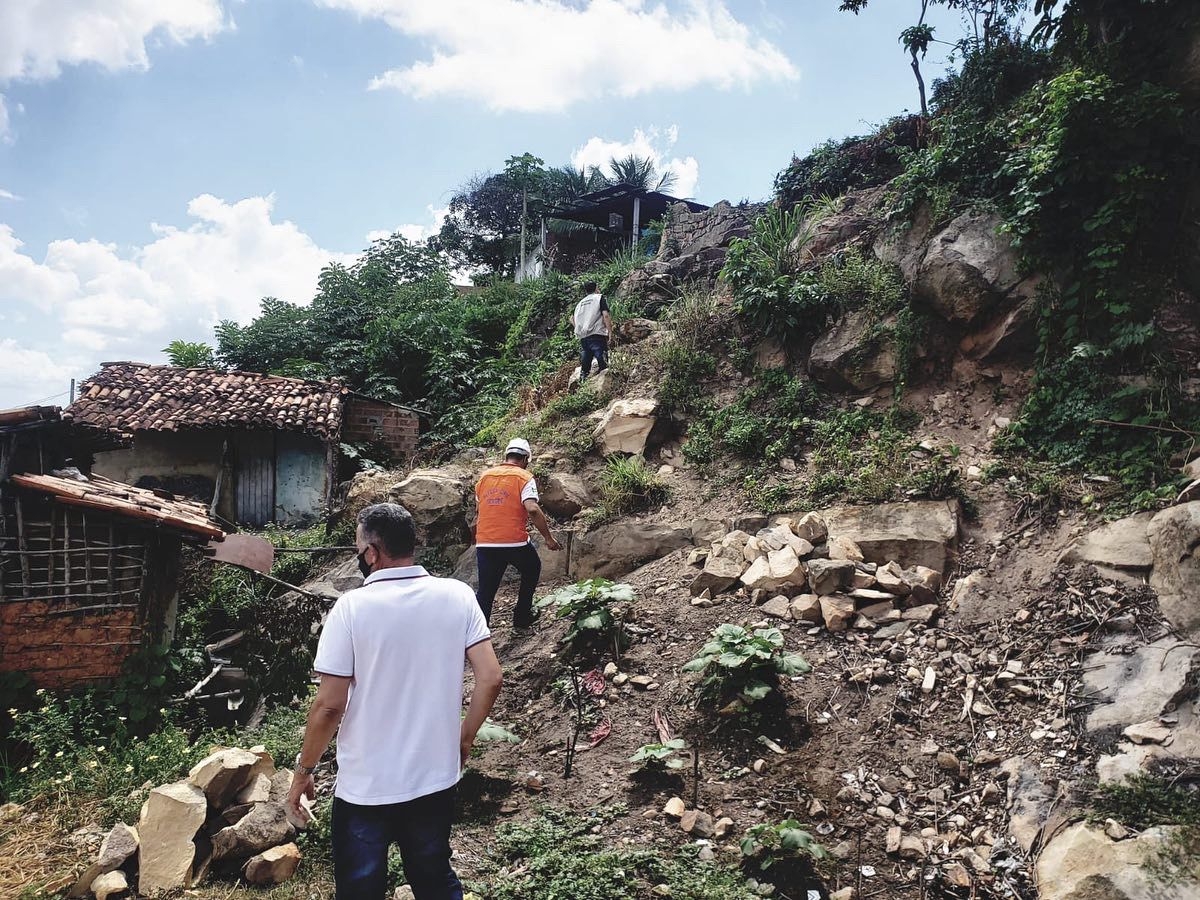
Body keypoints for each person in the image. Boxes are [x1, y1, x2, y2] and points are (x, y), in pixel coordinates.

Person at [286, 503, 503, 900]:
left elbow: (329, 706)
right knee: (434, 880)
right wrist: (465, 737)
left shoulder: (351, 608)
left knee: (360, 890)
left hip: (367, 788)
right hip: (434, 779)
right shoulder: (457, 596)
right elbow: (491, 677)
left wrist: (303, 770)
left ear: (371, 552)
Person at [473, 437, 562, 627]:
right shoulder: (524, 477)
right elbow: (532, 509)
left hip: (485, 542)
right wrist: (549, 538)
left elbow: (479, 508)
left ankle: (478, 634)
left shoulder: (484, 478)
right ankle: (522, 617)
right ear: (525, 459)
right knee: (532, 568)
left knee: (486, 590)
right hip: (514, 542)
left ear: (506, 456)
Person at [571, 279, 613, 382]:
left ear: (586, 290)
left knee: (585, 364)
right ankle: (606, 386)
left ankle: (581, 385)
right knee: (603, 362)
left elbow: (572, 319)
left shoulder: (580, 304)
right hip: (597, 335)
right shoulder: (599, 298)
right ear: (596, 288)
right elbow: (606, 315)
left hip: (584, 337)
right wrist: (610, 331)